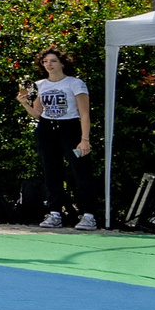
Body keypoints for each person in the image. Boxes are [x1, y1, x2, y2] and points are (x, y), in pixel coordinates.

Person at [23, 50, 96, 229]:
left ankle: (88, 215)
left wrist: (84, 138)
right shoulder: (40, 85)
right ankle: (54, 213)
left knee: (80, 171)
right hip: (47, 129)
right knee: (51, 172)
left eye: (53, 61)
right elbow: (38, 114)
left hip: (69, 127)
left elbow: (84, 113)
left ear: (62, 63)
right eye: (45, 61)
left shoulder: (75, 83)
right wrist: (24, 103)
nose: (49, 64)